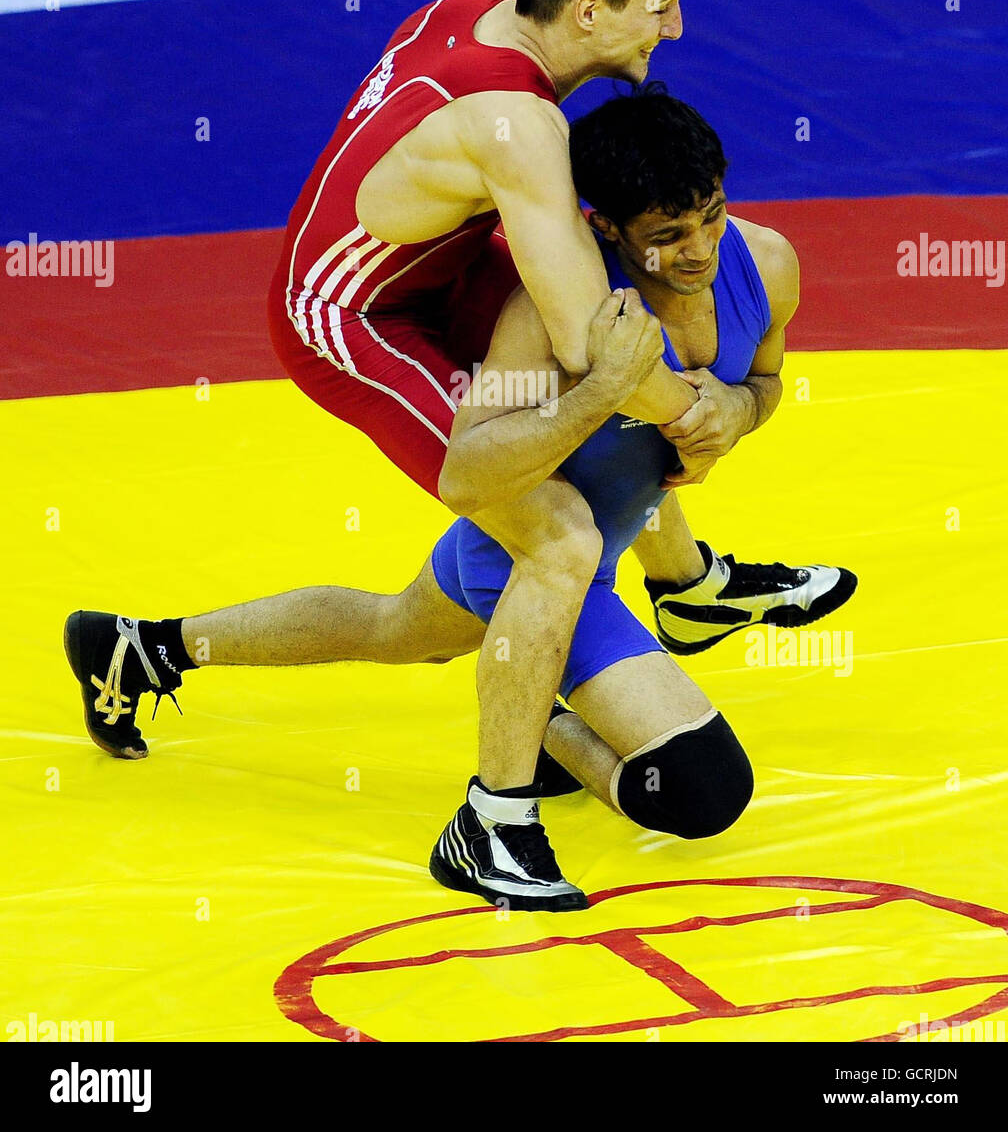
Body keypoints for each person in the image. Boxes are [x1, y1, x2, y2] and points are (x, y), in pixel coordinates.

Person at [65, 91, 856, 910]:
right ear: (605, 227)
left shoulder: (764, 263)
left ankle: (143, 647)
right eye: (666, 238)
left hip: (599, 550)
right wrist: (597, 396)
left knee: (390, 627)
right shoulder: (554, 316)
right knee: (702, 789)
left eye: (710, 217)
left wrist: (740, 411)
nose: (697, 252)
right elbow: (468, 475)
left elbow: (764, 382)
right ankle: (528, 747)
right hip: (534, 558)